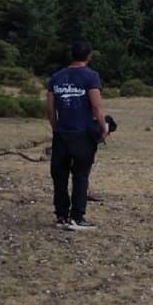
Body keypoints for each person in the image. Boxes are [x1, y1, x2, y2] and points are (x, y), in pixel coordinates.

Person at [46, 41, 107, 231]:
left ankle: (61, 215)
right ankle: (77, 217)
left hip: (62, 133)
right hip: (83, 134)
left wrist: (56, 128)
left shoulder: (56, 77)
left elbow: (50, 108)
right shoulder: (91, 76)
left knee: (60, 175)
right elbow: (96, 105)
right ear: (89, 56)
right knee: (80, 175)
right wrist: (103, 126)